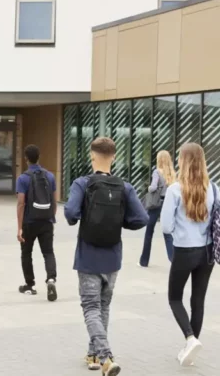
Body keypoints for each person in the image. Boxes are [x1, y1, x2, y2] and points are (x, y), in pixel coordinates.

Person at [64, 137, 149, 375]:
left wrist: (81, 217)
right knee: (103, 307)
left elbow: (70, 213)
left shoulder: (82, 183)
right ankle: (93, 356)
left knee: (91, 307)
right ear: (114, 157)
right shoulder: (125, 187)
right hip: (112, 258)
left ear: (92, 155)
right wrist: (120, 222)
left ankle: (105, 357)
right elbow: (142, 218)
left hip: (88, 256)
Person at [159, 143, 220, 366]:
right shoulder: (213, 188)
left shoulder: (175, 190)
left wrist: (181, 230)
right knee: (198, 300)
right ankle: (191, 349)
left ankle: (190, 338)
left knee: (174, 297)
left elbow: (166, 226)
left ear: (182, 162)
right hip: (208, 251)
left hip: (184, 250)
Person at [16, 144, 58, 301]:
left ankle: (30, 285)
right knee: (48, 252)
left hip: (29, 222)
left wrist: (19, 228)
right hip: (46, 221)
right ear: (39, 157)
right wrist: (50, 218)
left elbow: (21, 203)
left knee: (26, 253)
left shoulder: (23, 178)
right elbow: (54, 201)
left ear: (26, 158)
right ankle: (51, 279)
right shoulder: (50, 176)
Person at [139, 150, 176, 267]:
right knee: (167, 232)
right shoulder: (172, 173)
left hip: (156, 204)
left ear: (159, 159)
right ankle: (174, 260)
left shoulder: (156, 172)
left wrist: (149, 187)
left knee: (149, 231)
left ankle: (144, 261)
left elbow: (153, 187)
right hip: (168, 203)